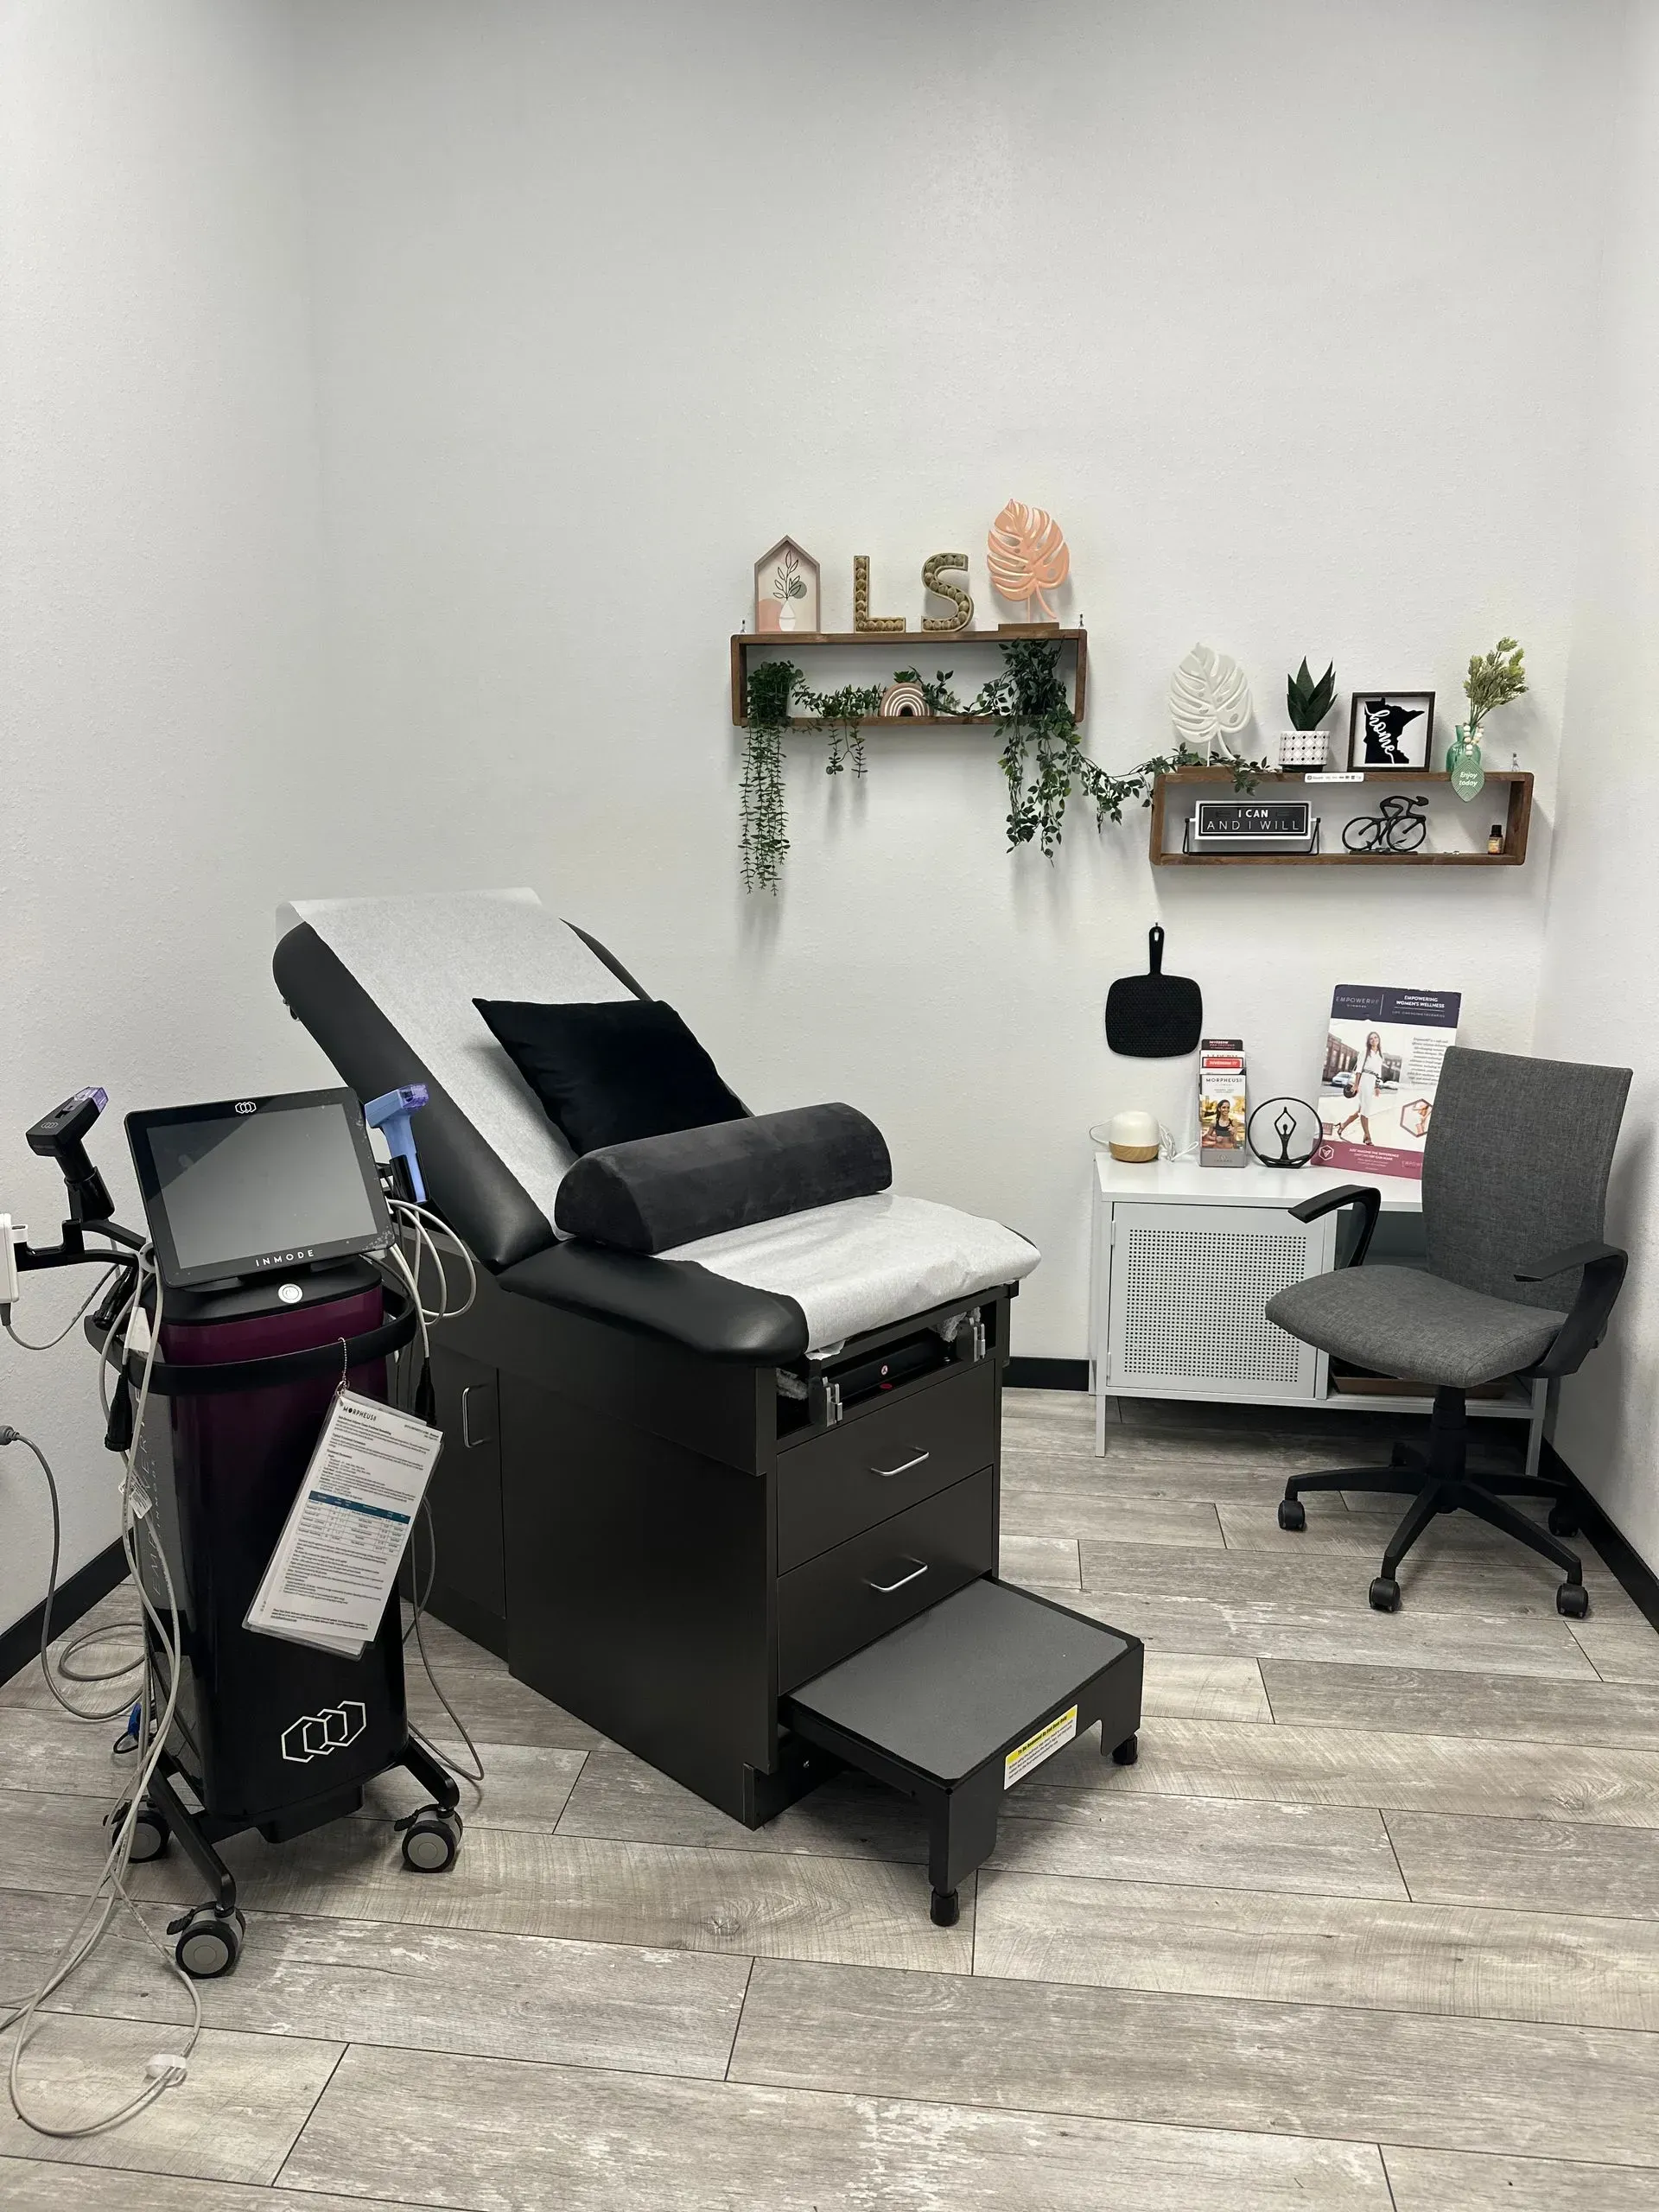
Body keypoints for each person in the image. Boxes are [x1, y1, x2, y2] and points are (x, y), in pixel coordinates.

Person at [1337, 1029, 1385, 1144]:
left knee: (1360, 1110)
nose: (1374, 1040)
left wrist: (1377, 1086)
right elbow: (1359, 1070)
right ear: (1368, 1041)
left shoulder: (1380, 1056)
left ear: (1379, 1040)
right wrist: (1356, 1085)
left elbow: (1378, 1073)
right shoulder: (1365, 1052)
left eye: (1376, 1038)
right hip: (1364, 1080)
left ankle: (1342, 1125)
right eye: (1371, 1038)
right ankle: (1367, 1136)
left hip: (1372, 1081)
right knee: (1365, 1110)